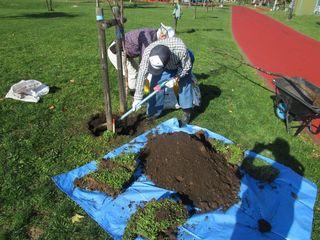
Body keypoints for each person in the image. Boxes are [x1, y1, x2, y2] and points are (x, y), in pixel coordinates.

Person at [132, 36, 195, 124]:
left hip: (183, 63)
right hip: (165, 66)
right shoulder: (148, 52)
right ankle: (153, 113)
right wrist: (137, 98)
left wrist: (176, 78)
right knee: (156, 87)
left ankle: (187, 111)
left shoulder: (181, 49)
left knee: (184, 85)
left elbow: (186, 67)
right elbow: (142, 74)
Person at [107, 24, 175, 93]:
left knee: (138, 72)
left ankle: (143, 91)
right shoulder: (148, 38)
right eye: (166, 41)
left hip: (126, 53)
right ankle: (134, 95)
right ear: (162, 36)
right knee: (133, 73)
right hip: (116, 51)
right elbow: (144, 60)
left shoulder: (155, 34)